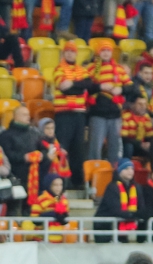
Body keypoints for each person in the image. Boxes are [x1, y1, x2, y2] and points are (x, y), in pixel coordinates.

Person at [53, 40, 93, 187]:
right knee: (62, 148)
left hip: (79, 115)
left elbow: (88, 84)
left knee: (78, 149)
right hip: (63, 114)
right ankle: (59, 182)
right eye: (67, 51)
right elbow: (64, 89)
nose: (70, 54)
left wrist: (73, 84)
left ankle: (77, 183)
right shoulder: (58, 69)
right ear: (64, 53)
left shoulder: (83, 70)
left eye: (72, 51)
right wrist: (79, 86)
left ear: (76, 54)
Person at [87, 40, 131, 164]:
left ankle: (114, 172)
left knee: (114, 149)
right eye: (103, 50)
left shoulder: (119, 69)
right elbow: (86, 87)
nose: (106, 53)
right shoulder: (91, 68)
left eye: (108, 50)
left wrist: (121, 89)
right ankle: (93, 173)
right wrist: (100, 87)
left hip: (115, 114)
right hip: (98, 114)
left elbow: (132, 87)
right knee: (95, 148)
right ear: (98, 52)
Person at [0, 106, 49, 216]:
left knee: (30, 209)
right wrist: (23, 157)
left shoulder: (35, 134)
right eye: (24, 115)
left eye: (28, 114)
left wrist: (42, 155)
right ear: (16, 116)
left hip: (34, 178)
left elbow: (44, 148)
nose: (28, 117)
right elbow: (6, 155)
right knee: (13, 208)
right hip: (14, 177)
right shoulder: (6, 135)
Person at [94, 159, 145, 243]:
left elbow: (141, 207)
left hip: (121, 226)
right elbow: (115, 210)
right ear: (119, 171)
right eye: (126, 169)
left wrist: (136, 214)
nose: (130, 171)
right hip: (105, 227)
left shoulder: (136, 187)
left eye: (132, 169)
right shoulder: (112, 187)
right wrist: (134, 214)